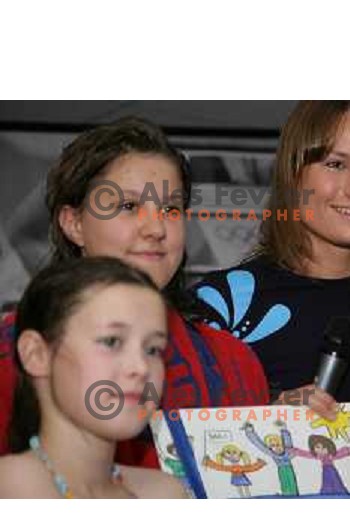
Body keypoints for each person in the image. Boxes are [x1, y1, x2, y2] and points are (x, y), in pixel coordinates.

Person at [0, 117, 269, 468]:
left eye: (171, 210)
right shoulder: (16, 350)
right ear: (74, 223)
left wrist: (288, 430)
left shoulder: (233, 362)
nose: (156, 228)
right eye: (128, 206)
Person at [194, 101, 350, 434]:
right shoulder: (224, 302)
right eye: (336, 164)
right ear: (292, 175)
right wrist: (269, 418)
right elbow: (195, 449)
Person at [0, 257, 187, 498]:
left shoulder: (165, 493)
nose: (141, 367)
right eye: (111, 341)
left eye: (153, 349)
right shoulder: (11, 488)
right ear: (36, 354)